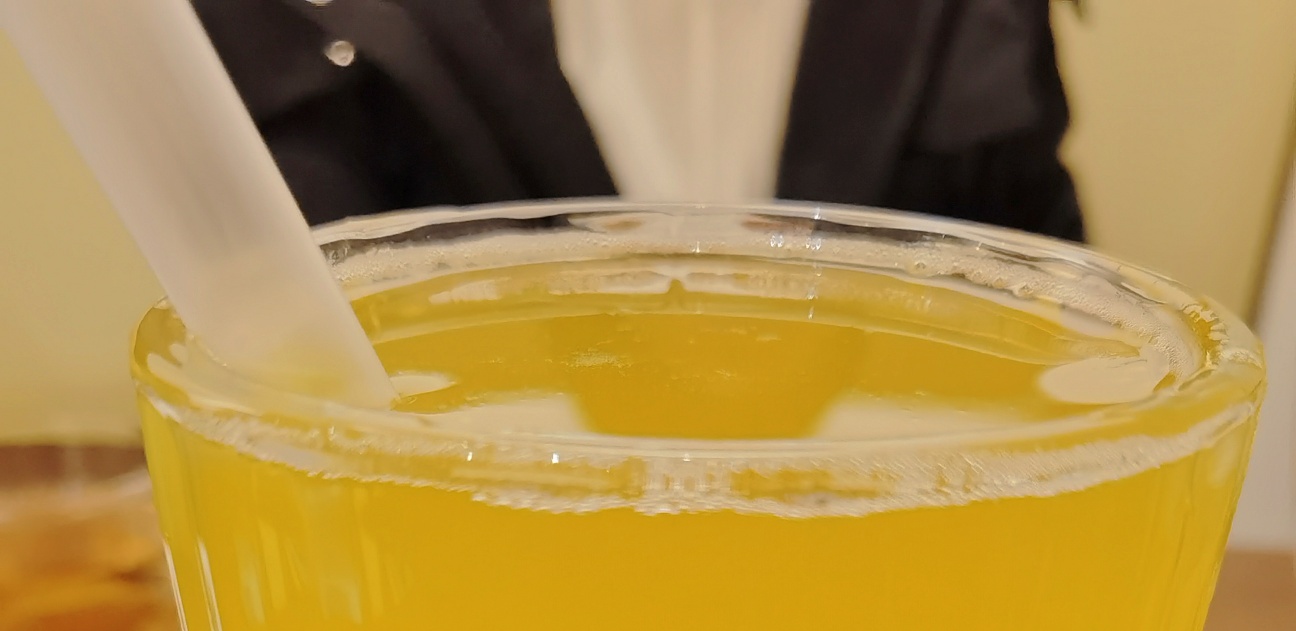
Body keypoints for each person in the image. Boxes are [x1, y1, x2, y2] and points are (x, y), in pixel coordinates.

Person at [194, 0, 1082, 241]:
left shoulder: (964, 19)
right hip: (473, 599)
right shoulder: (308, 18)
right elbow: (277, 369)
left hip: (885, 594)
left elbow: (1051, 352)